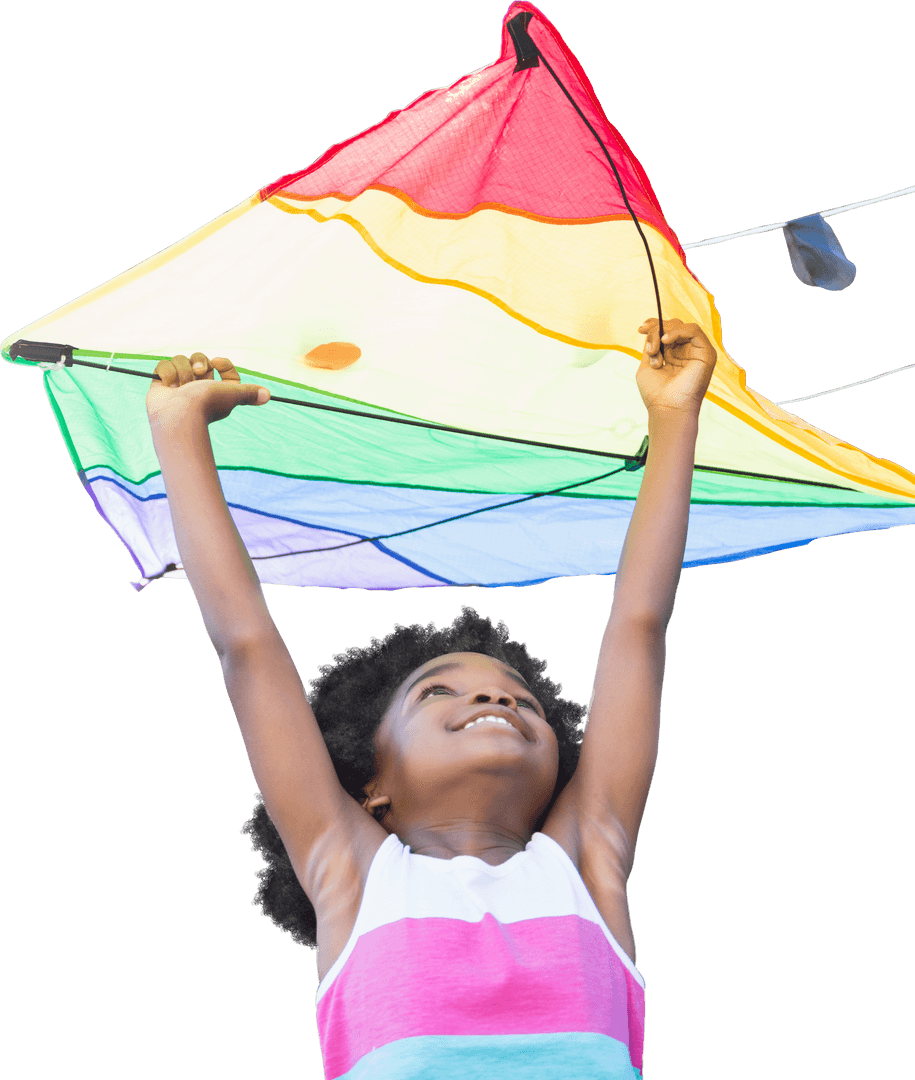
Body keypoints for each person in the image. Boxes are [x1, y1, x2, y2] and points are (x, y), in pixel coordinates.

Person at [145, 316, 717, 1079]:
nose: (495, 698)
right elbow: (246, 647)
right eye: (438, 691)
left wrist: (675, 416)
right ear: (370, 781)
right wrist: (179, 437)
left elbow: (638, 625)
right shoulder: (352, 872)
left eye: (520, 697)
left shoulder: (584, 859)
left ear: (558, 769)